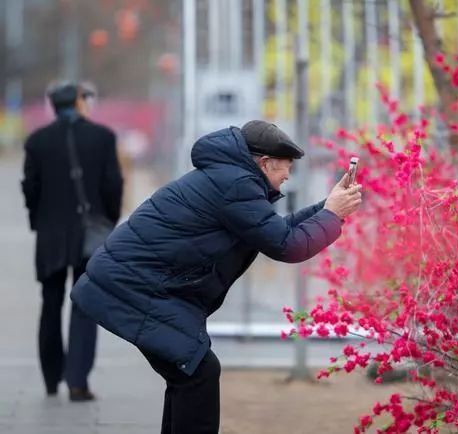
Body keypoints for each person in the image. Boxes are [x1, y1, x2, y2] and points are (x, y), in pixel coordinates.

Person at [70, 120, 362, 433]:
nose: (288, 176)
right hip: (137, 287)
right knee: (198, 372)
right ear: (264, 164)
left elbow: (278, 230)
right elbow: (287, 246)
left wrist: (328, 207)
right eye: (284, 169)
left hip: (141, 284)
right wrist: (332, 215)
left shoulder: (231, 179)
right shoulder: (236, 186)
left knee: (189, 373)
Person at [21, 81, 124, 401]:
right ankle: (77, 381)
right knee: (84, 304)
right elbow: (112, 184)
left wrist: (38, 220)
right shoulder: (103, 137)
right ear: (79, 102)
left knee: (50, 305)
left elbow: (30, 188)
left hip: (50, 235)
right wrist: (108, 219)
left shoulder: (37, 141)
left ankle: (51, 379)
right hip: (89, 234)